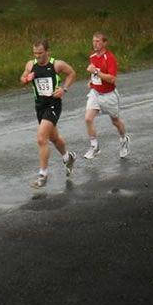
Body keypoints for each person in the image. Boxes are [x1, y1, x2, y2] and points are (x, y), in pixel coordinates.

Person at [20, 39, 77, 188]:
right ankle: (68, 157)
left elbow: (71, 73)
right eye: (35, 53)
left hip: (53, 105)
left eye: (40, 53)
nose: (37, 56)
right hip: (40, 106)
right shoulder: (30, 65)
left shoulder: (56, 64)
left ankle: (43, 175)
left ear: (47, 52)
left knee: (41, 138)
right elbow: (22, 78)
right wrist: (27, 79)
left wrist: (63, 89)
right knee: (55, 138)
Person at [83, 31, 129, 160]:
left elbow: (112, 79)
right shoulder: (92, 56)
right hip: (95, 93)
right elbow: (95, 74)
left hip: (109, 95)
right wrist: (91, 81)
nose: (95, 44)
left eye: (98, 41)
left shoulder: (110, 58)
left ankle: (124, 139)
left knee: (115, 121)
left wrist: (96, 72)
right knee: (88, 118)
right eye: (94, 41)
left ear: (104, 43)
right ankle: (94, 146)